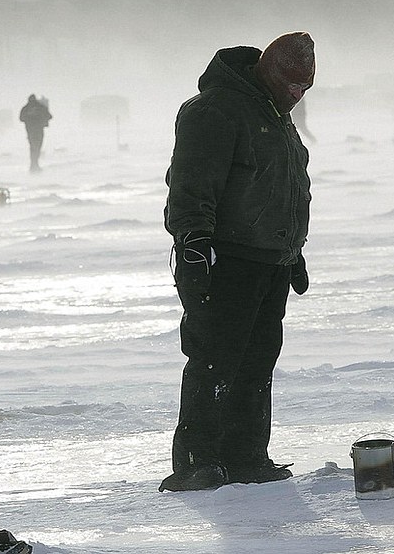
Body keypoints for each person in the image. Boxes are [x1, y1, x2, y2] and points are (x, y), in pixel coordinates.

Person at [159, 32, 315, 492]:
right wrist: (193, 244)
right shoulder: (214, 110)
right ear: (270, 73)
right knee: (214, 360)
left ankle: (246, 456)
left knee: (257, 364)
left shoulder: (274, 113)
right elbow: (190, 184)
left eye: (305, 88)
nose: (297, 95)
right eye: (292, 85)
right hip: (224, 261)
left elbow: (283, 186)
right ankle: (197, 461)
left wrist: (292, 250)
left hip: (271, 261)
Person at [19, 94, 52, 172]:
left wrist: (29, 118)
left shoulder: (26, 108)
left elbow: (21, 118)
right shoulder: (41, 107)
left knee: (32, 147)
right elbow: (49, 116)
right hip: (39, 130)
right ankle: (35, 164)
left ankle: (33, 164)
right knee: (38, 147)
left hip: (30, 131)